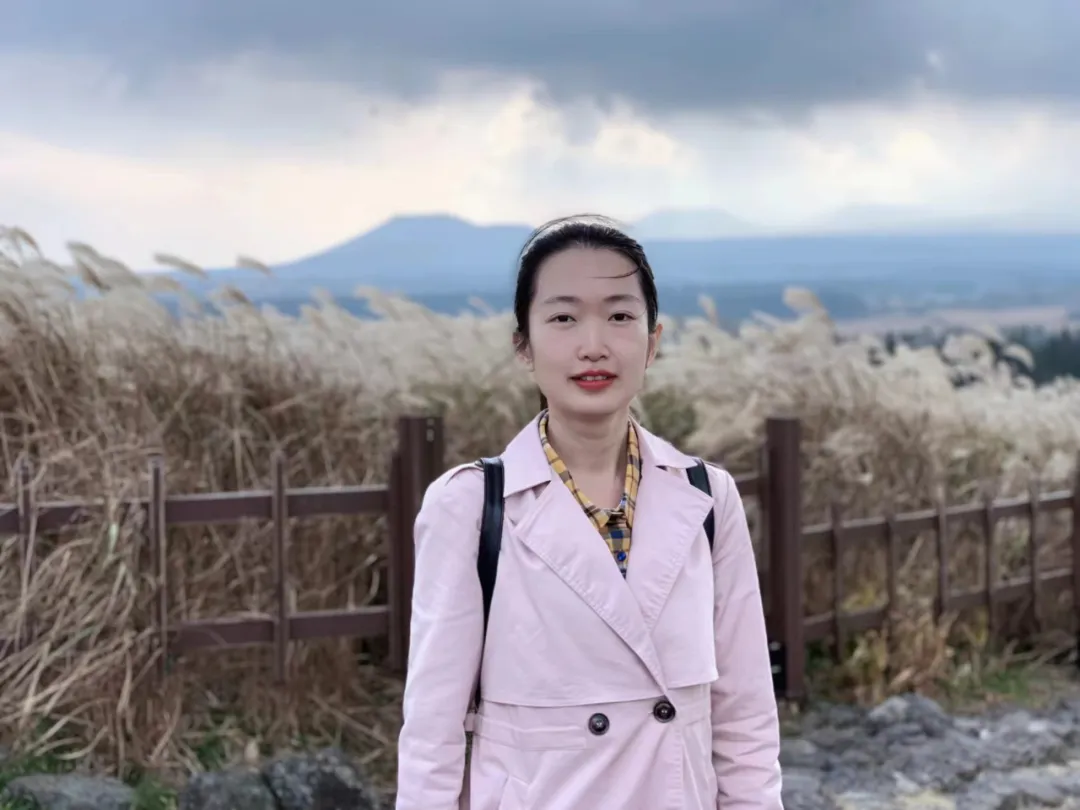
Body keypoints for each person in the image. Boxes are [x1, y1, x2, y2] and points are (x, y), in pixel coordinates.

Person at [396, 215, 783, 810]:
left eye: (620, 316)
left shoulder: (707, 495)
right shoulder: (471, 505)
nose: (593, 344)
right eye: (563, 318)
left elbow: (746, 718)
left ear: (653, 341)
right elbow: (432, 733)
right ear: (523, 345)